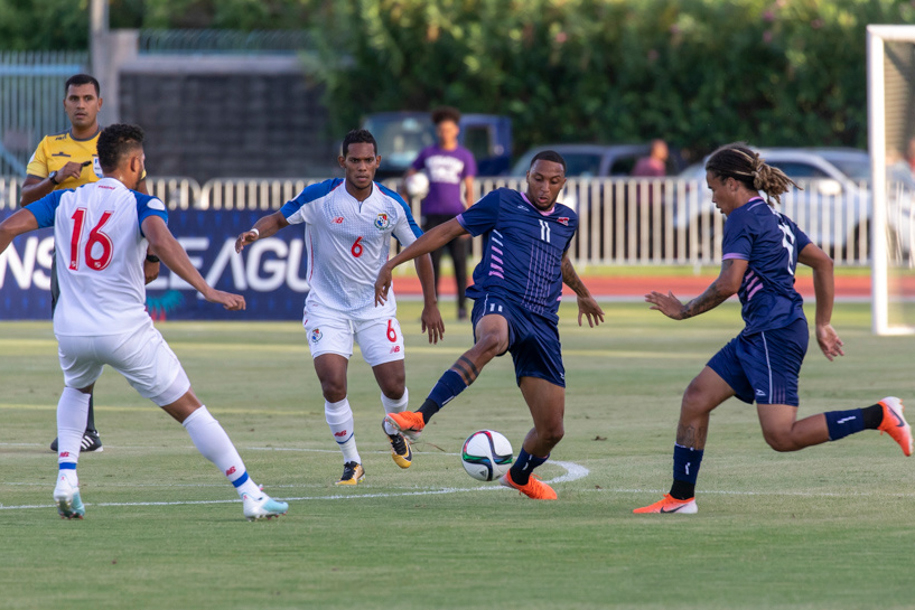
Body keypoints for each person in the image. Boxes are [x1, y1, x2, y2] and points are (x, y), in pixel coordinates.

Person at [0, 124, 288, 521]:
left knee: (77, 389)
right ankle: (250, 493)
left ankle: (67, 479)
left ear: (98, 163)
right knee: (191, 410)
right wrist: (207, 289)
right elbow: (162, 241)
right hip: (123, 331)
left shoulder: (64, 198)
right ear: (135, 163)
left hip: (71, 329)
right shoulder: (143, 204)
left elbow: (7, 228)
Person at [634, 143, 912, 515]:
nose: (712, 198)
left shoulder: (741, 219)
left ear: (732, 183)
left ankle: (879, 415)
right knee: (697, 398)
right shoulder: (775, 218)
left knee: (782, 436)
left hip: (774, 333)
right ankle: (681, 498)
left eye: (713, 187)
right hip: (765, 331)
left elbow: (728, 284)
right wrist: (823, 323)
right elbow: (824, 263)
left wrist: (683, 311)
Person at [376, 150, 605, 500]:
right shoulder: (502, 202)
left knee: (551, 431)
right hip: (500, 298)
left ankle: (520, 476)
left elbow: (560, 260)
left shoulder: (567, 220)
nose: (544, 187)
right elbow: (447, 231)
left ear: (563, 183)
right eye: (538, 179)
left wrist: (584, 294)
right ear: (527, 177)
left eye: (553, 181)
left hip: (543, 320)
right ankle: (420, 417)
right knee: (492, 339)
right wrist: (393, 263)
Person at [235, 129, 443, 485]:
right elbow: (278, 218)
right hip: (327, 307)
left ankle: (395, 429)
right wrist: (255, 233)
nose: (362, 167)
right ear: (342, 162)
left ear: (377, 162)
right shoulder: (319, 197)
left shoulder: (392, 205)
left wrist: (431, 304)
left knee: (394, 387)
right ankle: (352, 462)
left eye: (368, 161)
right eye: (355, 160)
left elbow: (421, 249)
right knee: (333, 384)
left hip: (375, 308)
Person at [19, 73, 160, 454]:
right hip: (70, 261)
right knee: (74, 337)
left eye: (87, 98)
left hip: (117, 260)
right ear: (65, 104)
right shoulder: (50, 146)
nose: (80, 104)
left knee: (119, 334)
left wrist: (152, 255)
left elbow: (144, 200)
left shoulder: (115, 146)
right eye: (74, 98)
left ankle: (96, 423)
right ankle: (86, 429)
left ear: (99, 103)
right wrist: (54, 178)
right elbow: (25, 199)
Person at [404, 106, 477, 320]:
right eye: (441, 130)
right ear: (437, 131)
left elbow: (469, 189)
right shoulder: (428, 153)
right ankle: (431, 306)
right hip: (433, 215)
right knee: (431, 263)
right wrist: (406, 191)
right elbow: (410, 174)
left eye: (449, 129)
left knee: (459, 263)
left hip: (456, 216)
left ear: (456, 131)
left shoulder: (464, 155)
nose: (445, 133)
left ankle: (462, 308)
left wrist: (469, 220)